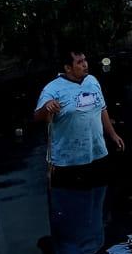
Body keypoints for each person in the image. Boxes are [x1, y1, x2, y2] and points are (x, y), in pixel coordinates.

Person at [34, 48, 125, 190]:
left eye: (85, 60)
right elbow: (37, 117)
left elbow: (102, 109)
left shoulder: (92, 81)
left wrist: (113, 134)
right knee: (73, 199)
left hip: (98, 153)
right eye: (79, 62)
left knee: (99, 196)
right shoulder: (52, 89)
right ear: (68, 68)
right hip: (68, 161)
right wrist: (47, 106)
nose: (85, 64)